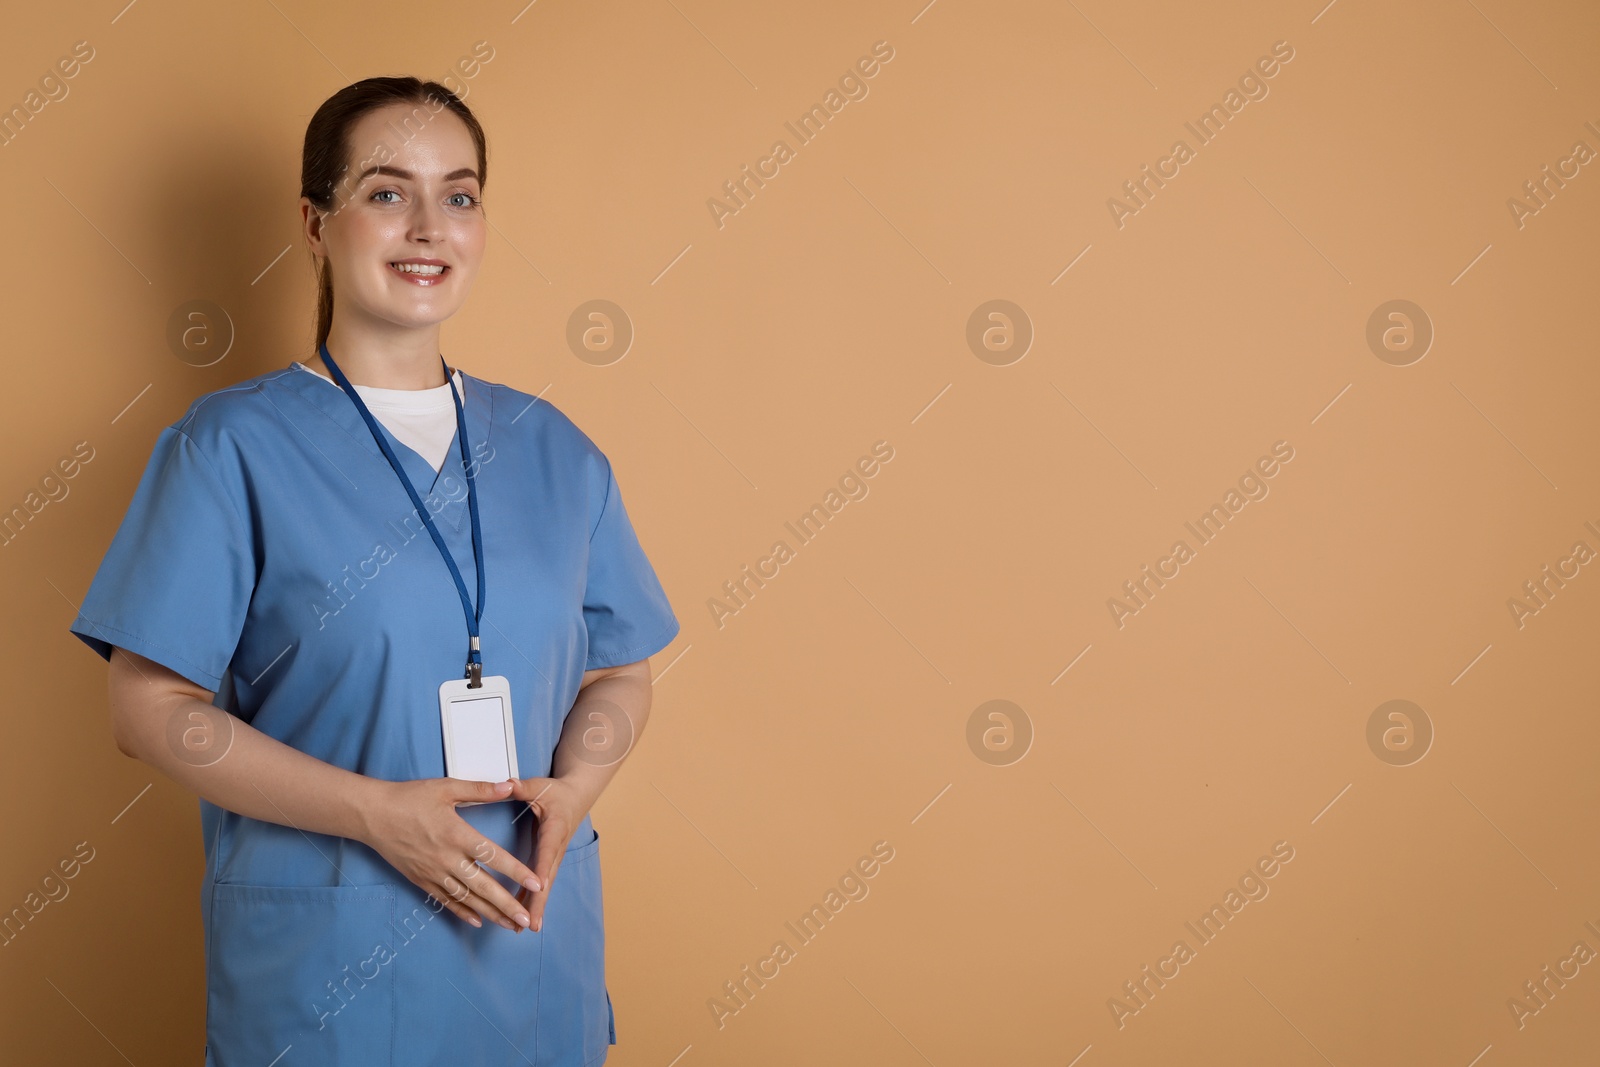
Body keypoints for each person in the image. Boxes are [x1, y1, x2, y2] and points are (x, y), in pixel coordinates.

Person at [67, 75, 678, 1066]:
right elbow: (147, 709)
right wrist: (374, 813)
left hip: (527, 955)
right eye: (387, 192)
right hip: (330, 967)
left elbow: (620, 670)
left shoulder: (556, 450)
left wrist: (580, 784)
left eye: (461, 194)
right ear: (314, 223)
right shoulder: (230, 447)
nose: (429, 226)